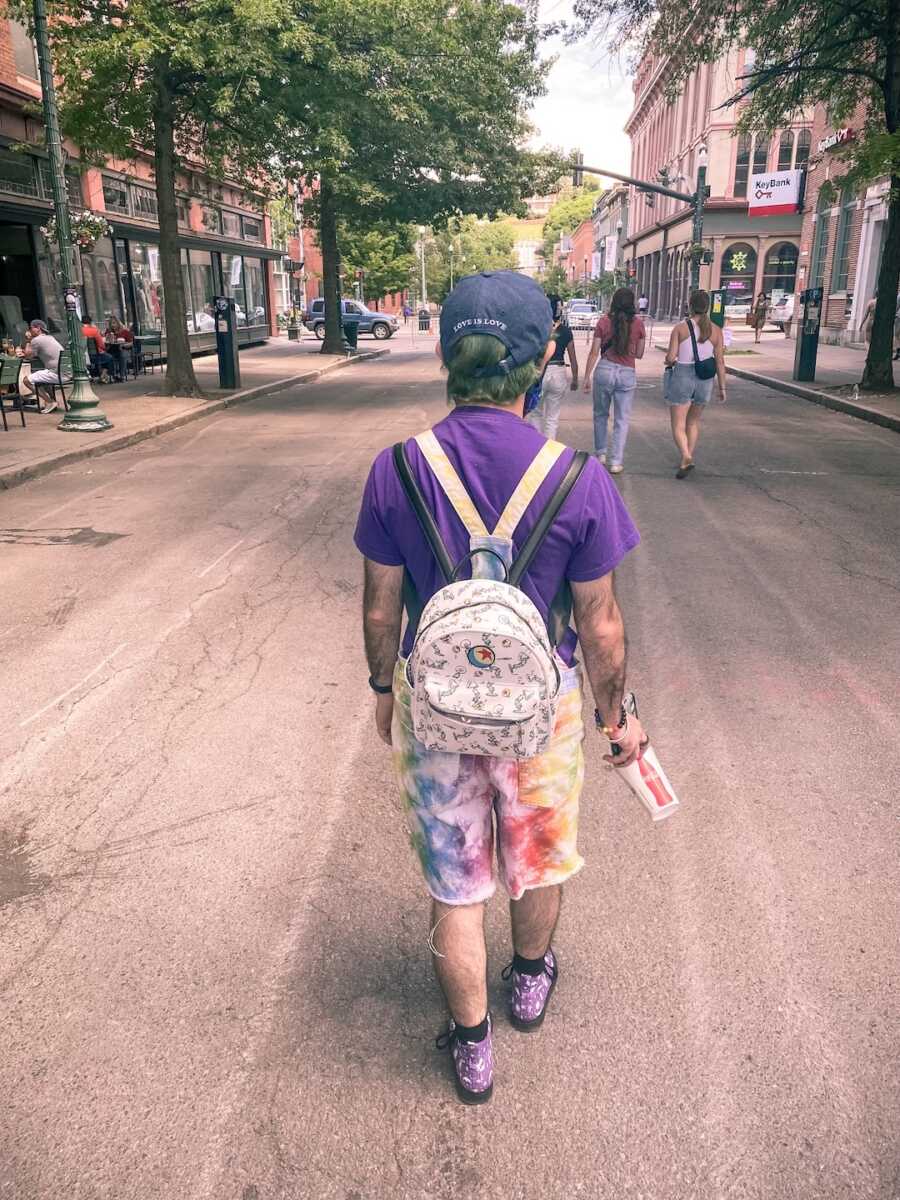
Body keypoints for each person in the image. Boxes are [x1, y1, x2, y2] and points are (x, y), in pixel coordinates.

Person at [355, 269, 644, 1105]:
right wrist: (612, 713)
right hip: (540, 708)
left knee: (456, 881)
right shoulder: (578, 478)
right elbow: (602, 627)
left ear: (450, 355)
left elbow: (380, 607)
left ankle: (472, 1047)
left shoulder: (396, 469)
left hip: (436, 704)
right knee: (539, 852)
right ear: (545, 357)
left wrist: (386, 687)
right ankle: (528, 979)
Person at [664, 289, 727, 479]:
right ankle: (687, 457)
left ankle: (686, 455)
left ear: (690, 306)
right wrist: (722, 387)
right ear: (707, 307)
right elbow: (720, 362)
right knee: (693, 422)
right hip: (705, 379)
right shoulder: (716, 331)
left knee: (678, 423)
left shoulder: (680, 328)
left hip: (683, 374)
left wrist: (669, 362)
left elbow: (670, 356)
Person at [582, 287, 645, 474]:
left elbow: (594, 352)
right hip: (627, 373)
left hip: (604, 370)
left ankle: (601, 454)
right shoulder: (639, 324)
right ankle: (616, 461)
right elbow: (640, 354)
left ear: (614, 302)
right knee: (621, 419)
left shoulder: (603, 322)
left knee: (600, 414)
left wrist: (586, 376)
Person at [527, 316, 578, 439]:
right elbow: (573, 357)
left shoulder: (538, 328)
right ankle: (549, 450)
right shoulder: (566, 331)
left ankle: (536, 446)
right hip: (558, 371)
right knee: (552, 417)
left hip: (540, 370)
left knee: (535, 413)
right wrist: (575, 378)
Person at [19, 319, 64, 413]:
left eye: (31, 328)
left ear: (38, 328)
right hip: (65, 372)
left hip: (56, 373)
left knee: (26, 380)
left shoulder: (36, 340)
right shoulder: (50, 337)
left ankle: (50, 402)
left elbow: (28, 356)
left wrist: (28, 340)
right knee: (41, 379)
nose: (30, 330)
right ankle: (52, 401)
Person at [81, 314, 115, 384]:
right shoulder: (94, 330)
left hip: (84, 357)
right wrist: (105, 348)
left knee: (105, 356)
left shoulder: (79, 331)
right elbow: (101, 344)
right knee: (110, 357)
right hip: (96, 356)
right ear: (90, 322)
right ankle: (104, 375)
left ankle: (102, 376)